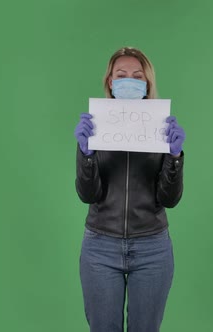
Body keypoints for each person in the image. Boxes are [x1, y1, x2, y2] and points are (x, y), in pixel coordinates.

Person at [74, 46, 186, 332]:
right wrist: (85, 153)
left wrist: (174, 157)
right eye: (121, 74)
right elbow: (88, 195)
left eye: (137, 75)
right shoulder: (96, 125)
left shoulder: (160, 126)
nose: (129, 80)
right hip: (100, 245)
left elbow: (169, 199)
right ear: (111, 82)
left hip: (152, 246)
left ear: (146, 84)